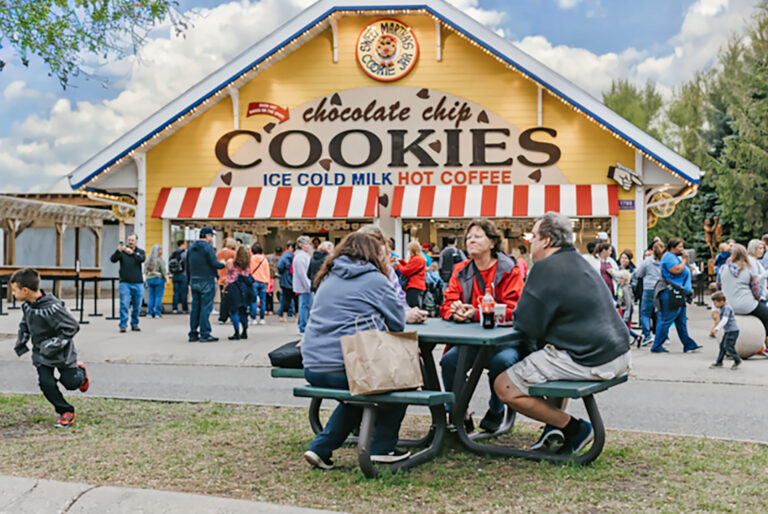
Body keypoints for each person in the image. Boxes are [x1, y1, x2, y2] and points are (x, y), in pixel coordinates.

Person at [494, 212, 631, 454]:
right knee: (548, 358)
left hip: (590, 358)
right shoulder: (580, 262)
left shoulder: (545, 267)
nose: (530, 242)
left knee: (504, 386)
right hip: (617, 353)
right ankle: (553, 430)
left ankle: (573, 428)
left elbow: (526, 324)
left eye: (533, 237)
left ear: (546, 241)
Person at [301, 232, 409, 469]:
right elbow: (398, 323)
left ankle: (320, 448)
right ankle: (383, 447)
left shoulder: (329, 277)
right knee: (402, 377)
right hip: (344, 367)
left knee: (356, 397)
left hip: (313, 366)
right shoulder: (375, 280)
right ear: (373, 254)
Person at [440, 219, 525, 433]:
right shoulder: (460, 270)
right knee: (448, 362)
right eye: (468, 237)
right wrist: (455, 311)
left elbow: (515, 310)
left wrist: (477, 313)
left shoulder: (509, 270)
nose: (471, 241)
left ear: (493, 242)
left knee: (502, 362)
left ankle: (496, 410)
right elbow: (447, 303)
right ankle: (460, 412)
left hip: (505, 341)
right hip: (471, 341)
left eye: (477, 236)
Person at [11, 268, 90, 428]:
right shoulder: (27, 306)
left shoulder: (53, 308)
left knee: (71, 383)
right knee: (46, 383)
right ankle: (66, 411)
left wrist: (53, 344)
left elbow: (72, 326)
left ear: (25, 290)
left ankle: (80, 372)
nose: (13, 294)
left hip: (62, 354)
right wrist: (21, 342)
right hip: (41, 355)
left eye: (14, 290)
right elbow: (25, 324)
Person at [358, 225, 429, 325]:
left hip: (414, 286)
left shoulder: (388, 270)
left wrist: (410, 313)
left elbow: (399, 298)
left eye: (380, 243)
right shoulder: (356, 272)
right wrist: (404, 315)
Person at [650, 238, 702, 354]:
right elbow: (676, 270)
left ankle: (688, 345)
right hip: (670, 293)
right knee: (666, 319)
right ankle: (657, 345)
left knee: (681, 320)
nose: (682, 249)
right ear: (672, 247)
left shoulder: (675, 257)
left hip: (678, 293)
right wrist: (684, 260)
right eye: (680, 247)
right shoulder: (668, 257)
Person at [718, 243, 768, 356]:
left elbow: (718, 286)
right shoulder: (749, 270)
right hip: (747, 306)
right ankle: (765, 345)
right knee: (766, 316)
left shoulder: (723, 269)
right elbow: (757, 289)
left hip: (728, 305)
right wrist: (758, 299)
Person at [186, 227, 225, 343]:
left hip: (194, 279)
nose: (211, 238)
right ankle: (205, 333)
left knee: (195, 307)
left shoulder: (191, 248)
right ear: (207, 236)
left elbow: (187, 265)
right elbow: (214, 263)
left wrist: (189, 280)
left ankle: (193, 332)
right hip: (206, 279)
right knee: (205, 307)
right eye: (211, 236)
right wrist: (222, 264)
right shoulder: (208, 248)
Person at [110, 233, 145, 333]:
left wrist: (132, 253)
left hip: (138, 283)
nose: (130, 242)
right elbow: (112, 260)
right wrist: (118, 251)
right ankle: (123, 325)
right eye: (129, 240)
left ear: (136, 241)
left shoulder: (140, 252)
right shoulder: (122, 252)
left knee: (137, 305)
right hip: (125, 282)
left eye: (132, 240)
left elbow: (141, 259)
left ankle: (135, 324)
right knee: (124, 304)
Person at [634, 242, 664, 346]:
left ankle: (647, 335)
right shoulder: (663, 261)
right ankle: (660, 336)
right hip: (660, 288)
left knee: (645, 313)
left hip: (648, 288)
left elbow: (639, 274)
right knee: (659, 313)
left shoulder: (647, 261)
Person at [224, 245, 252, 340]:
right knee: (243, 311)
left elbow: (228, 278)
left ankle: (236, 332)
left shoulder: (231, 263)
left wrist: (224, 288)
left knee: (234, 311)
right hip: (244, 288)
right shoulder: (248, 265)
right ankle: (245, 331)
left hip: (233, 287)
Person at [709, 291, 742, 370]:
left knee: (728, 346)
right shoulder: (723, 307)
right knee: (722, 346)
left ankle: (737, 360)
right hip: (729, 331)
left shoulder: (726, 308)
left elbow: (725, 320)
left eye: (716, 303)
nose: (714, 305)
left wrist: (717, 328)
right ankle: (719, 362)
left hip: (732, 331)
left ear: (722, 301)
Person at [293, 235, 314, 335]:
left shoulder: (300, 256)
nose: (309, 246)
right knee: (305, 306)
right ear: (302, 245)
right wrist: (308, 286)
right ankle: (303, 327)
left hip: (303, 286)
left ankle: (303, 326)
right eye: (307, 243)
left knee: (304, 306)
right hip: (305, 286)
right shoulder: (301, 257)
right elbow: (303, 274)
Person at [398, 241, 427, 309]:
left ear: (412, 250)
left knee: (413, 307)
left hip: (414, 286)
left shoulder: (417, 259)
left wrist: (398, 265)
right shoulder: (419, 258)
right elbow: (410, 267)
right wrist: (401, 261)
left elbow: (406, 271)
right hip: (418, 286)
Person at [616, 270, 642, 346]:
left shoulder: (626, 288)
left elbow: (628, 302)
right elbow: (620, 298)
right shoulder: (621, 287)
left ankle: (636, 336)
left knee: (623, 326)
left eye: (620, 278)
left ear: (624, 279)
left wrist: (627, 314)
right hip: (623, 308)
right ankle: (633, 338)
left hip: (627, 310)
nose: (618, 279)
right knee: (624, 326)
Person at [144, 244, 169, 318]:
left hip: (149, 279)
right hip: (158, 279)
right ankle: (157, 313)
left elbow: (145, 271)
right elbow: (164, 271)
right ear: (158, 251)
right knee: (158, 297)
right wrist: (167, 279)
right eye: (160, 249)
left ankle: (150, 313)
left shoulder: (148, 260)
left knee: (151, 296)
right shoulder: (160, 260)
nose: (162, 251)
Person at [216, 238, 237, 324]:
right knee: (233, 299)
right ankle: (233, 317)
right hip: (232, 279)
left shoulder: (218, 253)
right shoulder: (233, 253)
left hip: (221, 278)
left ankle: (222, 317)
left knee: (223, 299)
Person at [249, 242, 270, 325]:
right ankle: (262, 319)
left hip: (254, 281)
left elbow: (249, 270)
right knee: (263, 301)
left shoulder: (251, 259)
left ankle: (253, 318)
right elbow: (267, 272)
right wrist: (268, 282)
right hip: (263, 281)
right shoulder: (264, 259)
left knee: (253, 300)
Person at [277, 241, 295, 322]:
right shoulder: (297, 256)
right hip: (295, 279)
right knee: (296, 298)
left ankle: (284, 316)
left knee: (285, 298)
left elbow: (279, 267)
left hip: (285, 279)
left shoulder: (285, 256)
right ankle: (296, 316)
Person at [169, 240, 188, 314]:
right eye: (185, 244)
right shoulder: (185, 254)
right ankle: (184, 309)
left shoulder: (173, 253)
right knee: (184, 293)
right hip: (183, 275)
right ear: (182, 245)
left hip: (175, 275)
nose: (186, 245)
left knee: (175, 293)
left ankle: (174, 308)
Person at [266, 247, 282, 314]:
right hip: (274, 277)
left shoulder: (270, 257)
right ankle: (270, 309)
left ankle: (268, 309)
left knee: (269, 294)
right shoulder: (281, 257)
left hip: (271, 277)